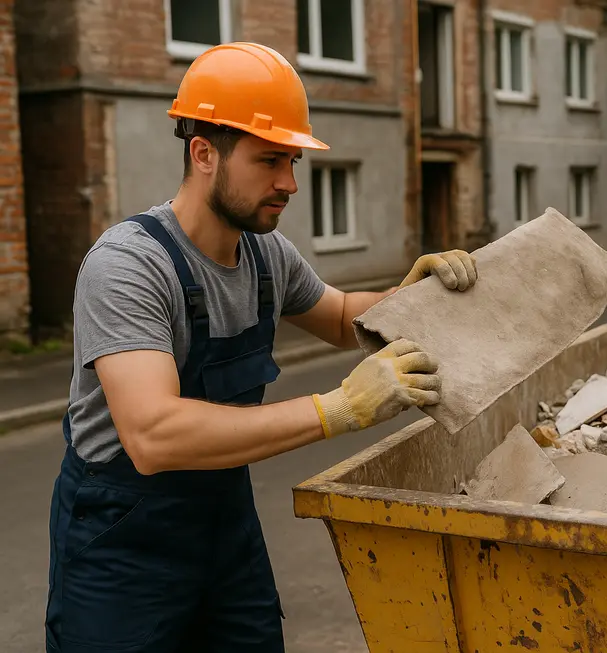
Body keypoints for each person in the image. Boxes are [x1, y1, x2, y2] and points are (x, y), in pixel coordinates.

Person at [44, 42, 477, 652]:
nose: (289, 183)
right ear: (203, 154)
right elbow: (153, 435)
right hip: (121, 548)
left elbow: (342, 316)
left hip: (225, 533)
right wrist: (339, 409)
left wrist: (413, 294)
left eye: (292, 161)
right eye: (270, 160)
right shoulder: (128, 266)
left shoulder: (264, 252)